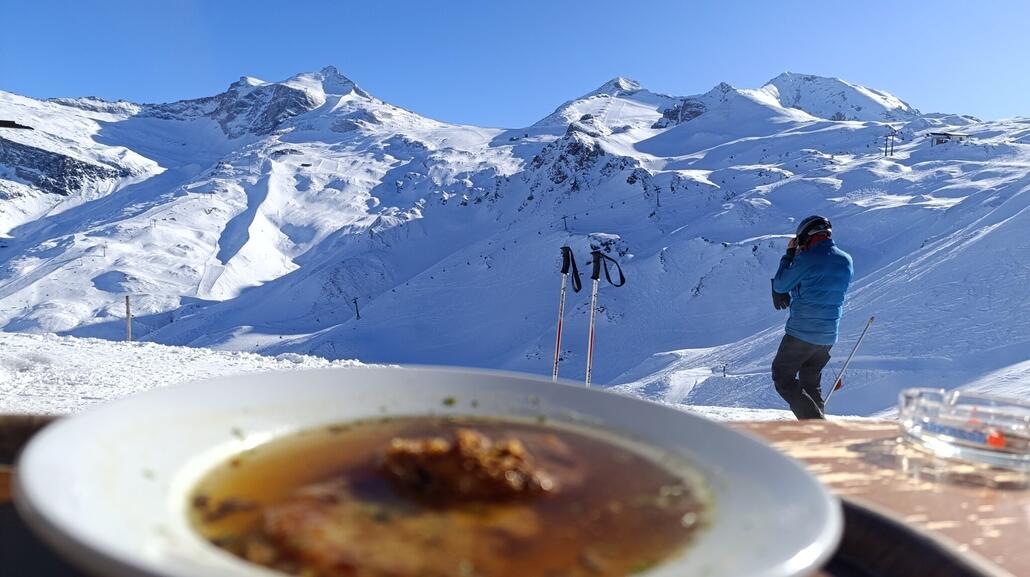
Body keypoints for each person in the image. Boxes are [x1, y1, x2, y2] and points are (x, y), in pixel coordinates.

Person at [770, 216, 853, 419]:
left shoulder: (807, 259)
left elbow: (780, 284)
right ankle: (817, 434)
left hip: (801, 333)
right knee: (810, 383)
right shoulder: (846, 259)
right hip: (828, 336)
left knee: (782, 377)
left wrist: (789, 255)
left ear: (807, 236)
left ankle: (816, 425)